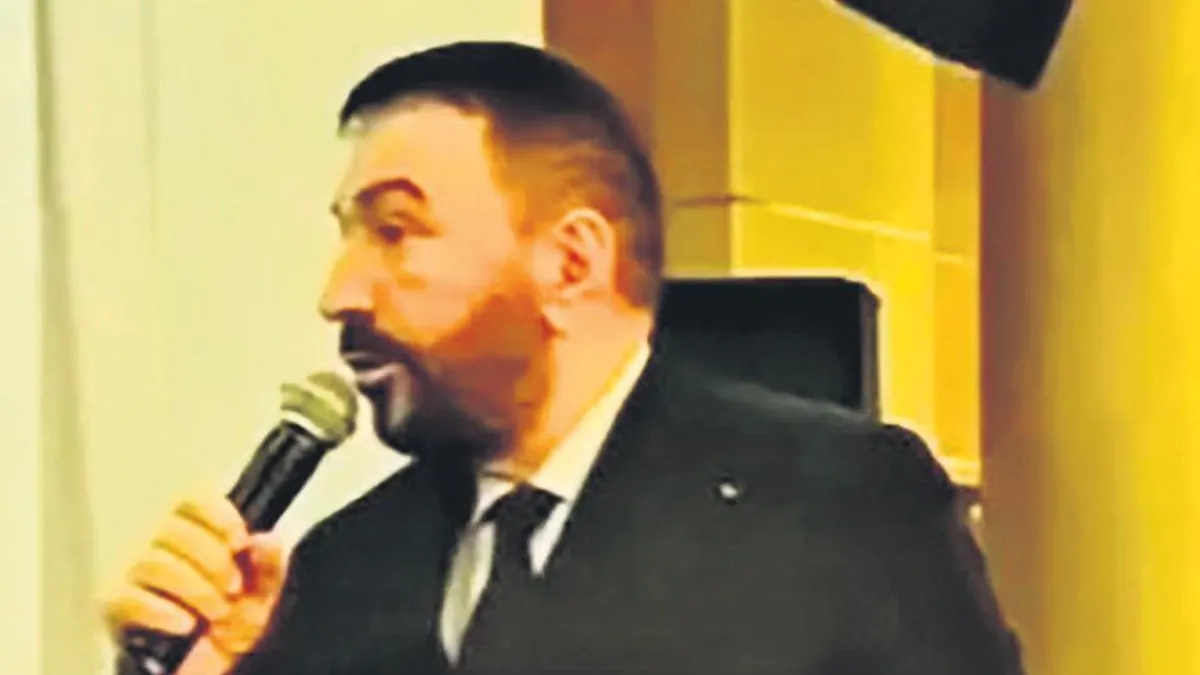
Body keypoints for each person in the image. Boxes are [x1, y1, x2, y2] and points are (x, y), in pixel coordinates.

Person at [101, 41, 1025, 675]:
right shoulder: (339, 569)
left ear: (572, 261)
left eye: (395, 231)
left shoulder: (839, 504)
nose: (340, 291)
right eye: (347, 236)